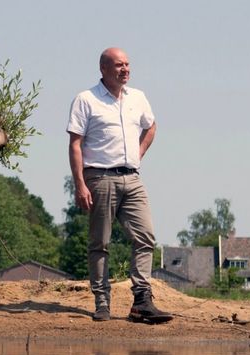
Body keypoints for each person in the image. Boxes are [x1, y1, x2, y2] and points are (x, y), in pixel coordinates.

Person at [67, 47, 173, 324]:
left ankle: (141, 302)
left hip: (133, 178)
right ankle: (102, 303)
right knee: (100, 242)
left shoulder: (137, 97)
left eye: (127, 64)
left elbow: (151, 126)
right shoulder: (86, 99)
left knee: (145, 236)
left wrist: (138, 153)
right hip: (100, 178)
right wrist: (80, 184)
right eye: (118, 65)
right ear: (103, 69)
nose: (125, 69)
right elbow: (75, 144)